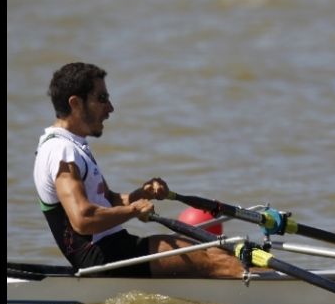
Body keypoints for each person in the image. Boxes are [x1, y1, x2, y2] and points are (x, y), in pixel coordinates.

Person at [33, 62, 250, 277]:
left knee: (213, 251)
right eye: (102, 98)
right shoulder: (60, 150)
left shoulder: (72, 146)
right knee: (211, 258)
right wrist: (134, 210)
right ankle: (271, 287)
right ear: (76, 103)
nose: (110, 108)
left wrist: (141, 194)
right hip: (101, 257)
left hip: (113, 248)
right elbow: (83, 219)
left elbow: (107, 200)